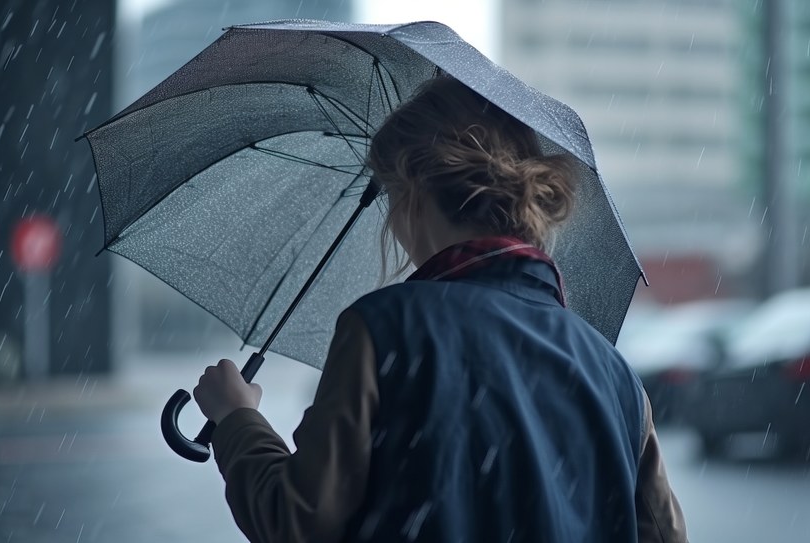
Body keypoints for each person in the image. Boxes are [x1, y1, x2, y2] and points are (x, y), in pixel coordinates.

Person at [192, 76, 688, 543]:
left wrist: (236, 419)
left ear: (411, 188)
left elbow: (299, 518)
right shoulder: (613, 373)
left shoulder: (384, 328)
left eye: (389, 195)